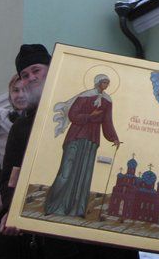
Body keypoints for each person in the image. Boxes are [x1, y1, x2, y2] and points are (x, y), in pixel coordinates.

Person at [0, 43, 145, 259]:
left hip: (107, 242)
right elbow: (10, 178)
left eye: (37, 70)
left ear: (52, 69)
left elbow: (120, 129)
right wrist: (12, 211)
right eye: (25, 75)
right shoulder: (22, 128)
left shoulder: (103, 100)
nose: (31, 78)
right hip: (61, 243)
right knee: (66, 176)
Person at [45, 74, 119, 217]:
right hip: (76, 136)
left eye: (108, 83)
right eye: (104, 82)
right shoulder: (84, 96)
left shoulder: (108, 101)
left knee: (84, 174)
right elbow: (73, 115)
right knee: (67, 171)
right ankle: (54, 207)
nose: (106, 85)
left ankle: (76, 210)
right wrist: (90, 116)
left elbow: (107, 121)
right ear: (97, 82)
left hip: (91, 140)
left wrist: (113, 138)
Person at [0, 75, 28, 220]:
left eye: (24, 90)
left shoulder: (42, 124)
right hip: (3, 200)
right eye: (15, 91)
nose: (20, 95)